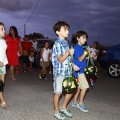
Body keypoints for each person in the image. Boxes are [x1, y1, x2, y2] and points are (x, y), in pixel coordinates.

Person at [52, 21, 74, 120]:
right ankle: (56, 112)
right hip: (60, 72)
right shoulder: (57, 43)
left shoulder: (66, 43)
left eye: (67, 29)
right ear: (58, 32)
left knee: (71, 90)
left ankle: (63, 107)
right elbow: (60, 60)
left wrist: (73, 65)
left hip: (68, 72)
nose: (67, 31)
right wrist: (68, 53)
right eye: (65, 29)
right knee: (58, 92)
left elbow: (68, 59)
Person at [71, 31, 89, 112]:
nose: (84, 39)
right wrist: (86, 53)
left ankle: (74, 102)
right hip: (79, 71)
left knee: (78, 88)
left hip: (80, 70)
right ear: (77, 38)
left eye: (85, 38)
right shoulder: (77, 47)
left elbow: (82, 58)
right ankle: (80, 103)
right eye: (83, 37)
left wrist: (87, 57)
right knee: (85, 87)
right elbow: (80, 59)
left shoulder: (81, 47)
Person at [0, 22, 10, 110]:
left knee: (2, 85)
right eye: (1, 29)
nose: (4, 30)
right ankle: (2, 101)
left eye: (4, 28)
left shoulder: (3, 41)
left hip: (3, 65)